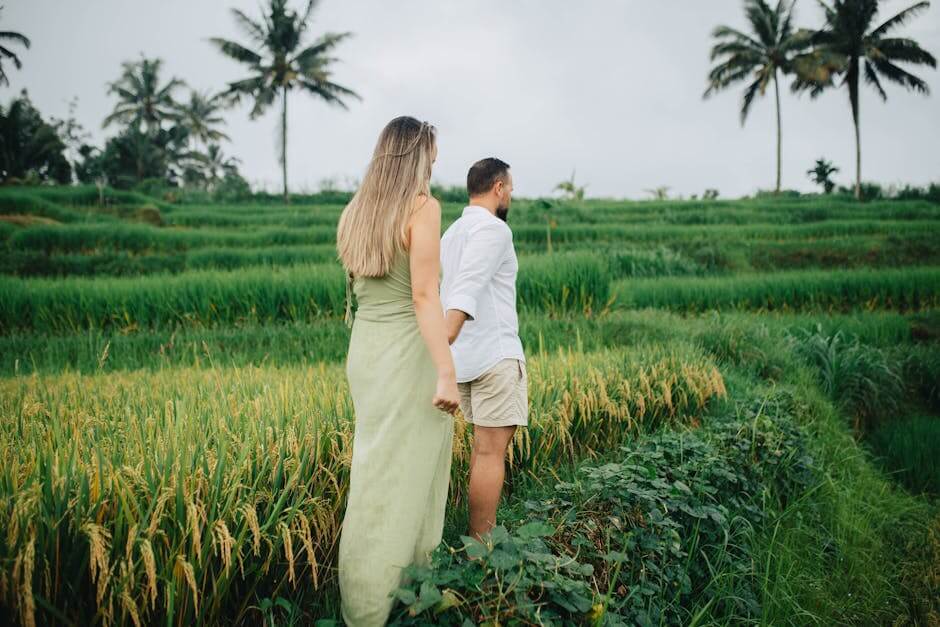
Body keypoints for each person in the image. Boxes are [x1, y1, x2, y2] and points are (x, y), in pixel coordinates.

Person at [335, 116, 460, 626]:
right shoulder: (421, 208)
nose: (436, 162)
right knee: (409, 475)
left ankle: (369, 600)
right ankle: (392, 602)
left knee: (376, 472)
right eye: (431, 153)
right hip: (408, 354)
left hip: (367, 350)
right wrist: (447, 371)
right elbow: (424, 295)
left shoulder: (354, 212)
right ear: (416, 156)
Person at [440, 157, 527, 541]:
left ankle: (471, 539)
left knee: (481, 452)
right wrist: (443, 339)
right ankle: (480, 548)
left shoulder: (451, 233)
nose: (511, 195)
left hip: (464, 362)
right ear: (498, 188)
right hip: (493, 355)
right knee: (491, 453)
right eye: (510, 188)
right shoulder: (494, 230)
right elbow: (467, 287)